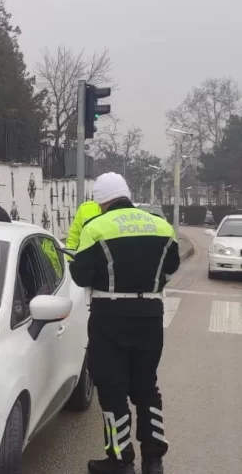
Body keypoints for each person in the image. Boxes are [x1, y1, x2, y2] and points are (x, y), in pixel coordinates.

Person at [69, 172, 180, 474]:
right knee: (146, 386)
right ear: (128, 195)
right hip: (151, 316)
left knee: (112, 388)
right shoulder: (161, 226)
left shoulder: (97, 227)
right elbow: (172, 267)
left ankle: (120, 460)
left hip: (110, 316)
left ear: (101, 201)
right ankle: (154, 460)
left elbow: (80, 275)